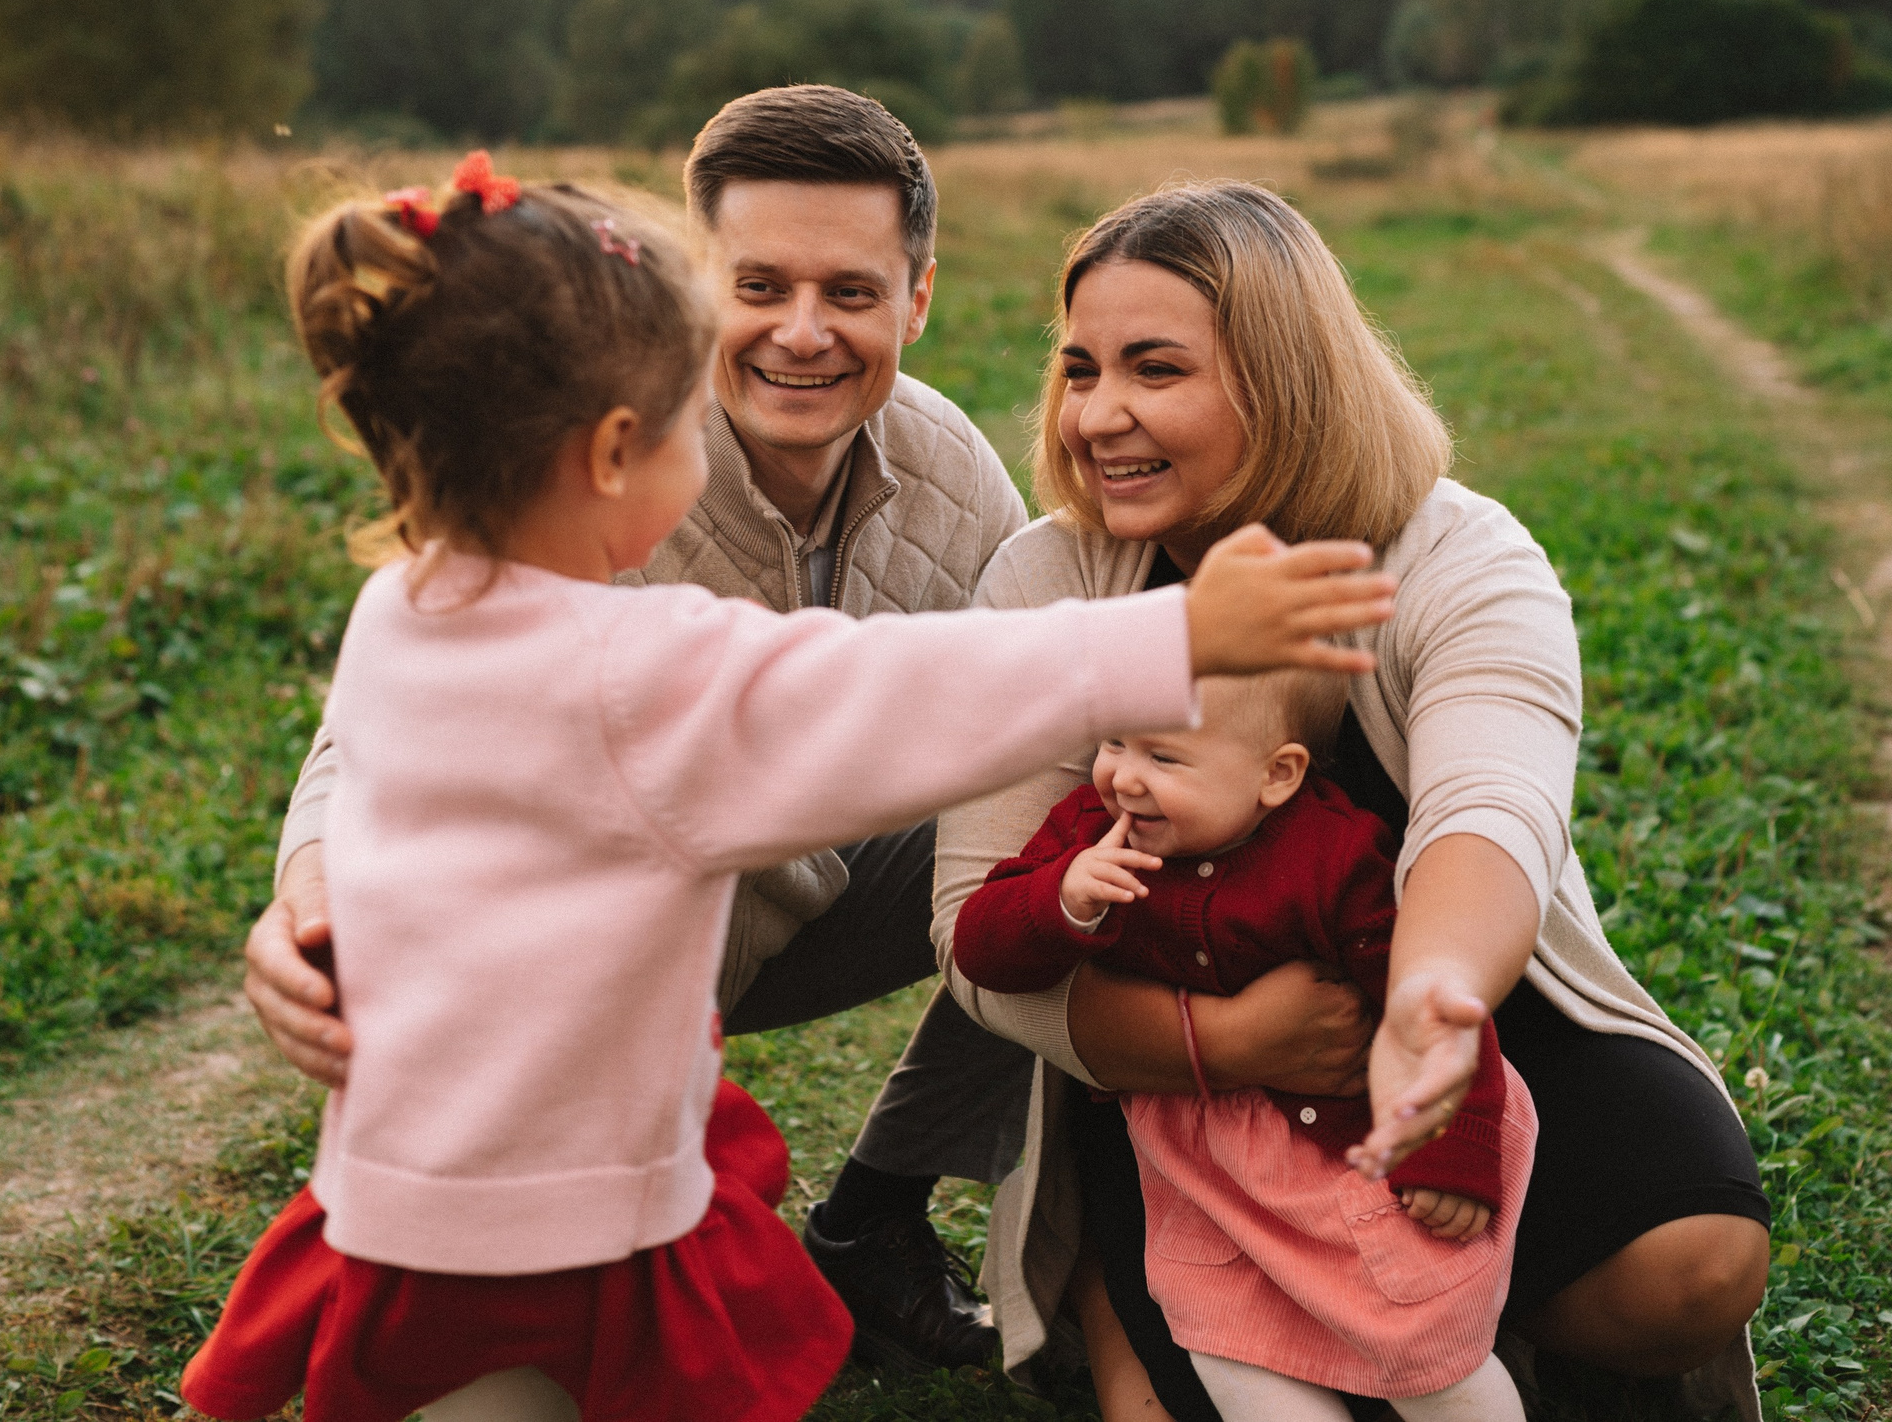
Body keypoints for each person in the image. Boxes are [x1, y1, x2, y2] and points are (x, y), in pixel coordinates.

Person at [181, 155, 1401, 1422]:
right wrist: (1182, 634)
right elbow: (894, 695)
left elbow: (369, 767)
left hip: (405, 1189)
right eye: (682, 416)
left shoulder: (402, 609)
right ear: (615, 453)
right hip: (565, 1217)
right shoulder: (632, 668)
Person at [933, 181, 1773, 1422]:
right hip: (1171, 1087)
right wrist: (1228, 1043)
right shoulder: (1048, 580)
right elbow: (973, 921)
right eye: (1079, 370)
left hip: (1453, 1031)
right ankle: (1129, 1286)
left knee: (1692, 1267)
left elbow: (1491, 812)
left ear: (1283, 379)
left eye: (1155, 369)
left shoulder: (1457, 557)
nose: (1098, 414)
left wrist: (1429, 1007)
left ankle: (1427, 1312)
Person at [242, 86, 1045, 1371]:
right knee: (560, 1340)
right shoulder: (595, 466)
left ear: (917, 299)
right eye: (758, 285)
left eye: (850, 292)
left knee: (1089, 822)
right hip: (610, 957)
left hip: (838, 897)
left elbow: (1035, 684)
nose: (802, 332)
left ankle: (884, 1215)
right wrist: (310, 904)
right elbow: (381, 724)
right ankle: (509, 1252)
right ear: (693, 286)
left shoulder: (949, 466)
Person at [952, 672, 1535, 1422]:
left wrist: (1452, 1144)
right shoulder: (1090, 833)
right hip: (1197, 1170)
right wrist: (1062, 896)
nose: (1123, 777)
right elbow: (980, 950)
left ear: (1277, 774)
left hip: (1340, 1158)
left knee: (1421, 1351)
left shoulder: (1334, 853)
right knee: (1231, 1347)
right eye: (1113, 742)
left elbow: (1430, 1001)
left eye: (1164, 757)